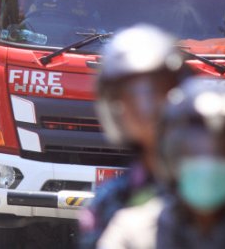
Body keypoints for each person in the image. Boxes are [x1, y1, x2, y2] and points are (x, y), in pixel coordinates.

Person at [97, 79, 225, 249]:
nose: (207, 164)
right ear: (170, 159)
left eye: (222, 152)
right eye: (193, 153)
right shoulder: (133, 232)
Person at [78, 24, 188, 249]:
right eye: (131, 97)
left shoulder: (218, 186)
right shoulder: (109, 202)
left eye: (158, 91)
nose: (147, 107)